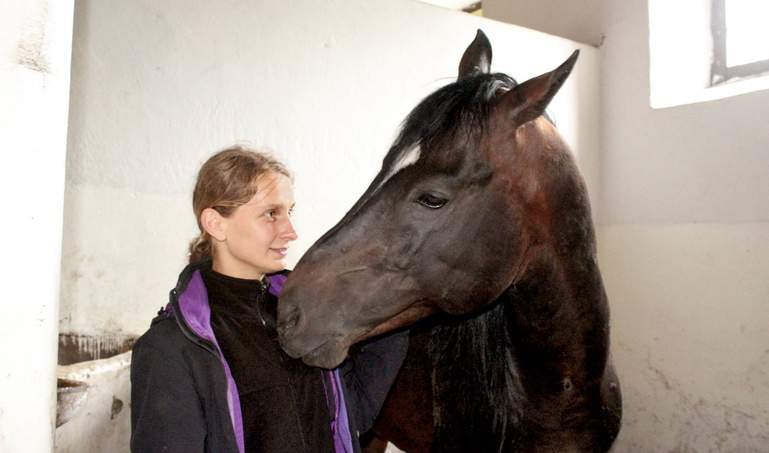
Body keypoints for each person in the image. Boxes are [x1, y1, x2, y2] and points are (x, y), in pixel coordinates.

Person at [130, 146, 408, 453]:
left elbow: (350, 416)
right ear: (215, 223)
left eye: (289, 212)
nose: (290, 231)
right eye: (271, 214)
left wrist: (395, 307)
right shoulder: (170, 348)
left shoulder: (305, 318)